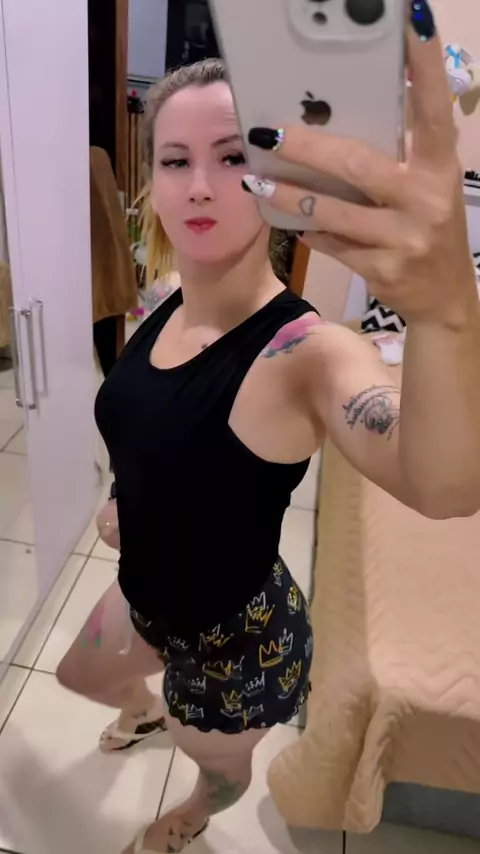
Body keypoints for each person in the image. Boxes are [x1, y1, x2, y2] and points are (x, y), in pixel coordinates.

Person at [57, 3, 480, 852]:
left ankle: (190, 815)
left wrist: (447, 314)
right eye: (175, 160)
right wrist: (126, 501)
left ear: (279, 175)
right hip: (148, 592)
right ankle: (145, 714)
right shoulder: (165, 304)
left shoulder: (309, 352)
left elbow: (442, 484)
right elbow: (154, 432)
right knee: (80, 675)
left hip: (240, 640)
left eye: (234, 157)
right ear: (152, 181)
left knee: (213, 764)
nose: (199, 186)